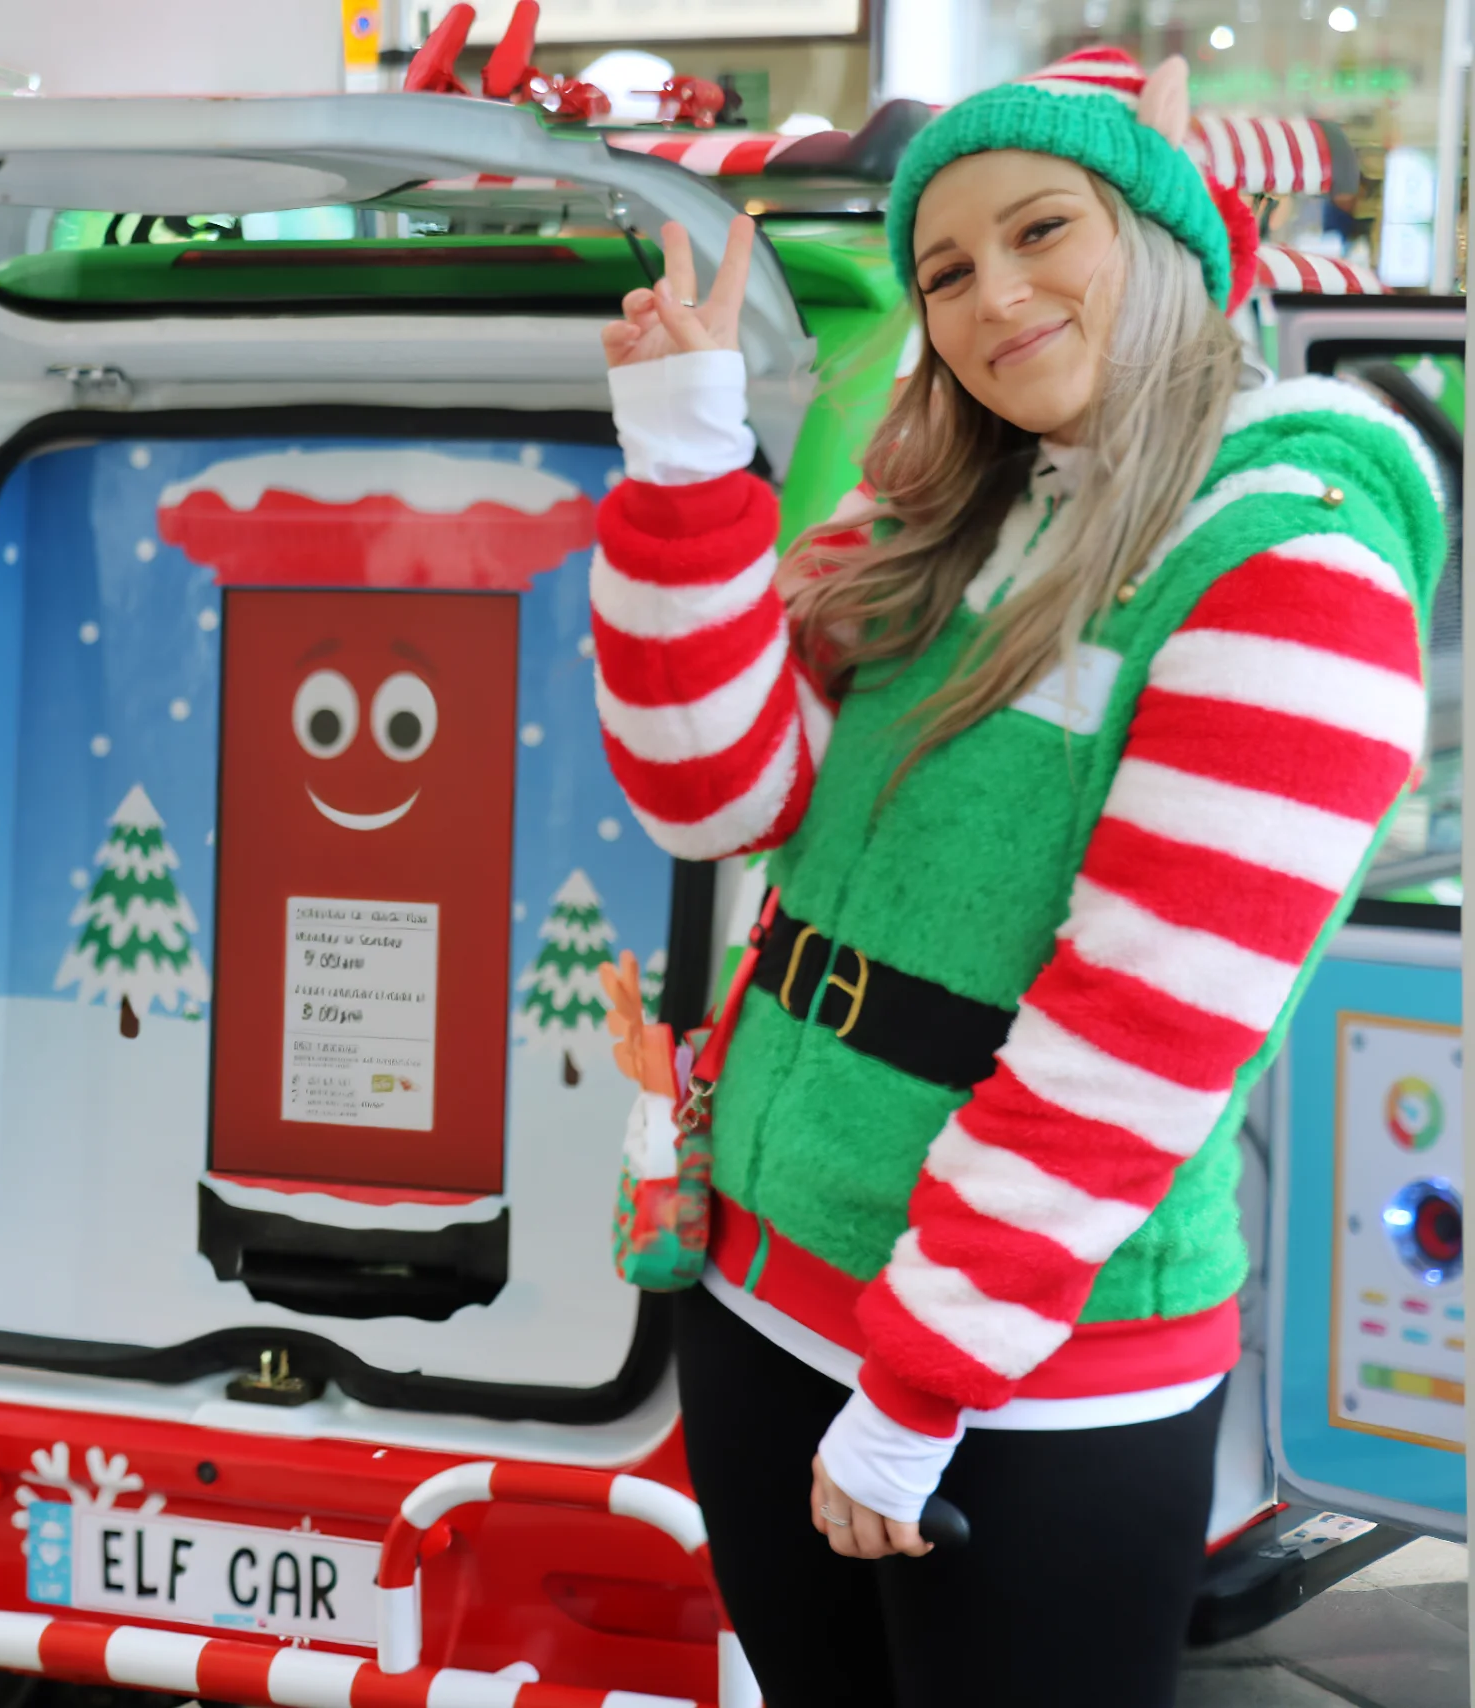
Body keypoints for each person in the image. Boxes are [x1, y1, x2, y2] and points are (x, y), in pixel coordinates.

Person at [590, 49, 1441, 1706]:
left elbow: (1135, 1042)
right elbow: (712, 787)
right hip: (764, 1286)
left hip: (1018, 1379)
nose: (998, 296)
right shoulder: (944, 513)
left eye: (1045, 229)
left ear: (1168, 231)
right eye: (950, 267)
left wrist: (918, 1388)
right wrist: (686, 455)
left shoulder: (1295, 564)